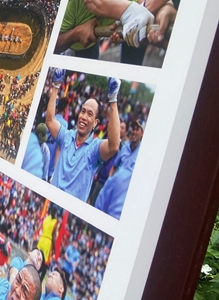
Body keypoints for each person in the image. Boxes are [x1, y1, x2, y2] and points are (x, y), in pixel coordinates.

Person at [46, 69, 121, 203]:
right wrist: (56, 86)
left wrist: (113, 100)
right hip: (50, 202)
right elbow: (50, 121)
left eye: (90, 114)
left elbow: (114, 146)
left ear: (95, 123)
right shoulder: (66, 136)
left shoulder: (95, 149)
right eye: (83, 111)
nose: (84, 117)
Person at [95, 118, 145, 219]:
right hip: (113, 187)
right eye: (133, 129)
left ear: (142, 133)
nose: (134, 132)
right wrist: (109, 181)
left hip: (125, 195)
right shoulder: (125, 147)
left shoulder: (142, 153)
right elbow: (114, 166)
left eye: (137, 129)